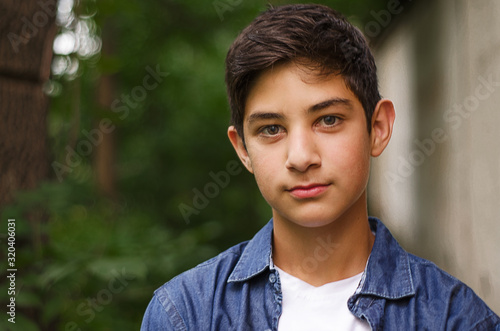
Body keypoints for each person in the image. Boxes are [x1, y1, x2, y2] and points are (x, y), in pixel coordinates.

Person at [141, 4, 500, 330]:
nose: (300, 157)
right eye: (271, 129)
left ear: (377, 128)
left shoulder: (459, 320)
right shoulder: (184, 315)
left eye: (328, 120)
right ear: (243, 149)